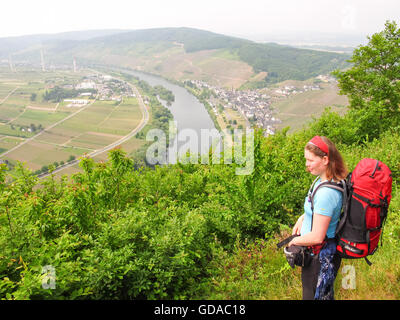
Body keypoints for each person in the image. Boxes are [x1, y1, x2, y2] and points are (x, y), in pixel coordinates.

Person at [288, 135, 348, 300]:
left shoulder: (326, 193)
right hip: (320, 255)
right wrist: (303, 218)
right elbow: (318, 210)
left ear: (325, 159)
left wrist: (294, 242)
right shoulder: (325, 180)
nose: (307, 164)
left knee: (312, 295)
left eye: (311, 160)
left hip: (319, 258)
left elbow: (317, 236)